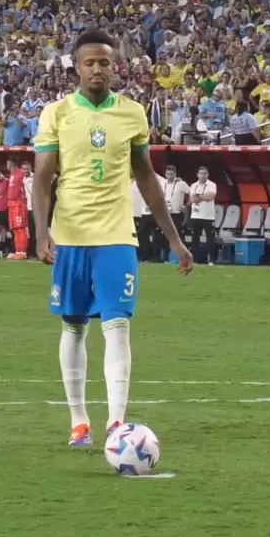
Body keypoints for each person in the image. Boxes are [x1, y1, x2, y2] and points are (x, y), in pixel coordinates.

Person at [33, 29, 192, 448]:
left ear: (115, 66)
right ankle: (79, 421)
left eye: (104, 62)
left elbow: (148, 179)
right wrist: (41, 233)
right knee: (73, 326)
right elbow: (42, 180)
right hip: (70, 236)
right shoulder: (56, 113)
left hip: (118, 235)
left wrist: (174, 239)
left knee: (118, 325)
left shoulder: (132, 114)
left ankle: (116, 423)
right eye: (89, 62)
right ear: (77, 67)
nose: (97, 69)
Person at [189, 166, 217, 265]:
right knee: (195, 239)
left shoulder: (212, 185)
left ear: (208, 174)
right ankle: (195, 260)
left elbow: (211, 197)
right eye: (201, 173)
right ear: (197, 175)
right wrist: (204, 196)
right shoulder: (194, 185)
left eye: (205, 173)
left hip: (208, 216)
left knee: (210, 239)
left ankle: (211, 260)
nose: (203, 175)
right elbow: (193, 199)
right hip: (195, 216)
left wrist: (198, 195)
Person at [6, 156, 28, 260]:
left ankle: (23, 251)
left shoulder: (21, 174)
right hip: (11, 204)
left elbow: (26, 186)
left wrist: (25, 196)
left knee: (20, 228)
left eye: (8, 163)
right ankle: (18, 251)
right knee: (15, 229)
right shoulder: (12, 175)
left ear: (11, 163)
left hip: (19, 204)